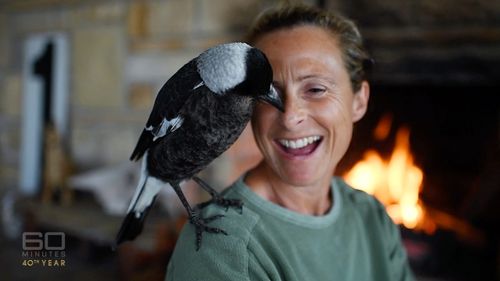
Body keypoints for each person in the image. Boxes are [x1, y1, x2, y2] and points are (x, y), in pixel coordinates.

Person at [165, 4, 415, 281]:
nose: (290, 116)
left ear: (359, 101)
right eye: (269, 94)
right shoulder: (221, 248)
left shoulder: (371, 216)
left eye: (316, 89)